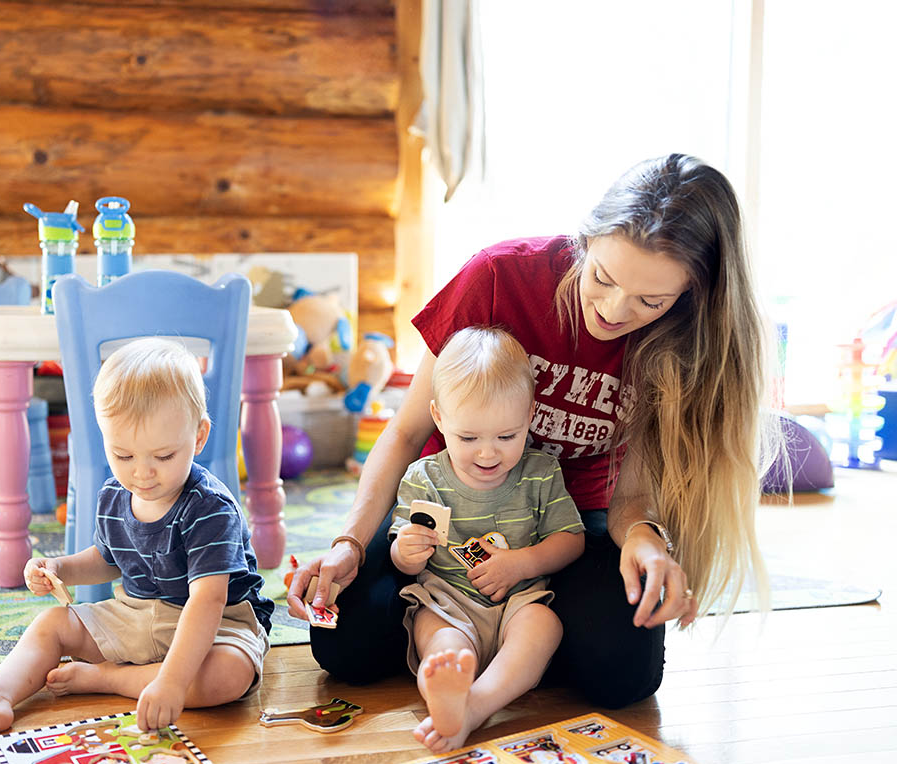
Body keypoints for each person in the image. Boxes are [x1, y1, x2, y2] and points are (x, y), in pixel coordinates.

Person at [288, 154, 777, 709]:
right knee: (344, 647)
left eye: (650, 301)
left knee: (625, 677)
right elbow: (405, 432)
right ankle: (505, 641)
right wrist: (350, 542)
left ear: (689, 296)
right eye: (602, 277)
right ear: (585, 242)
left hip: (563, 526)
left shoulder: (682, 341)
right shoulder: (499, 276)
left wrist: (647, 541)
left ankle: (514, 641)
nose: (614, 311)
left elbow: (633, 493)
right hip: (446, 510)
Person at [0, 337, 274, 745]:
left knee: (228, 677)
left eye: (164, 456)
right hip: (137, 614)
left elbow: (209, 599)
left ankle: (111, 679)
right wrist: (61, 568)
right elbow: (106, 558)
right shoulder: (114, 495)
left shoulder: (210, 507)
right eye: (123, 455)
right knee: (51, 624)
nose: (142, 474)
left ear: (199, 436)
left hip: (218, 624)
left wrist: (172, 681)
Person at [392, 326, 585, 752]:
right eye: (468, 438)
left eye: (506, 436)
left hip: (518, 604)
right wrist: (405, 552)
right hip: (448, 601)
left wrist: (522, 564)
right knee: (439, 639)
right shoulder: (424, 478)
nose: (487, 454)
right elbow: (405, 561)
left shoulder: (540, 472)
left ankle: (475, 706)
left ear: (529, 416)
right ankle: (444, 686)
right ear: (439, 418)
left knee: (543, 626)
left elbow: (571, 540)